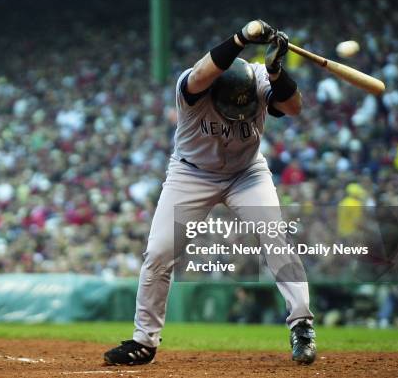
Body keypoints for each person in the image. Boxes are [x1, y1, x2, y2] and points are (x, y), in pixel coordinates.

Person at [104, 20, 316, 365]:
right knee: (158, 252)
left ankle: (302, 325)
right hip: (191, 174)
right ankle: (144, 341)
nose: (238, 112)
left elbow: (294, 107)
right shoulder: (194, 85)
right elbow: (204, 70)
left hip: (247, 173)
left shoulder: (259, 78)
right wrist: (241, 38)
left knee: (275, 238)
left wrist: (276, 71)